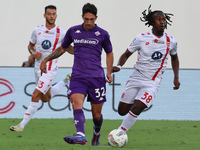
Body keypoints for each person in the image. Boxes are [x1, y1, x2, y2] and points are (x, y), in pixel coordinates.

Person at [40, 3, 113, 146]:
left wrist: (109, 72)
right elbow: (62, 48)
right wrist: (46, 59)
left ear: (96, 18)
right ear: (82, 17)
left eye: (92, 19)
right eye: (86, 19)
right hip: (78, 76)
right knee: (75, 102)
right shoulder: (73, 31)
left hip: (96, 77)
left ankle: (96, 131)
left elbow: (109, 52)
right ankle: (80, 134)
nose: (89, 22)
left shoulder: (103, 34)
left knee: (96, 115)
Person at [112, 5, 180, 135]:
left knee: (138, 107)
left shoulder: (171, 41)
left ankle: (120, 133)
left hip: (153, 82)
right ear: (152, 22)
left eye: (164, 19)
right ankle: (131, 112)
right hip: (136, 77)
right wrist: (119, 66)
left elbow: (175, 58)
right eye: (159, 19)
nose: (162, 22)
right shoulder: (141, 38)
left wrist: (176, 77)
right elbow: (126, 54)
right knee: (122, 111)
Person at [10, 5, 73, 132]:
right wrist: (33, 53)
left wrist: (82, 52)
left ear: (56, 15)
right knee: (46, 98)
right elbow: (30, 46)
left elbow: (67, 47)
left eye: (53, 14)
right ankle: (66, 81)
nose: (51, 16)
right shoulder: (37, 30)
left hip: (50, 69)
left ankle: (21, 125)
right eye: (49, 14)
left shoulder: (62, 32)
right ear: (44, 15)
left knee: (36, 94)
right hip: (38, 68)